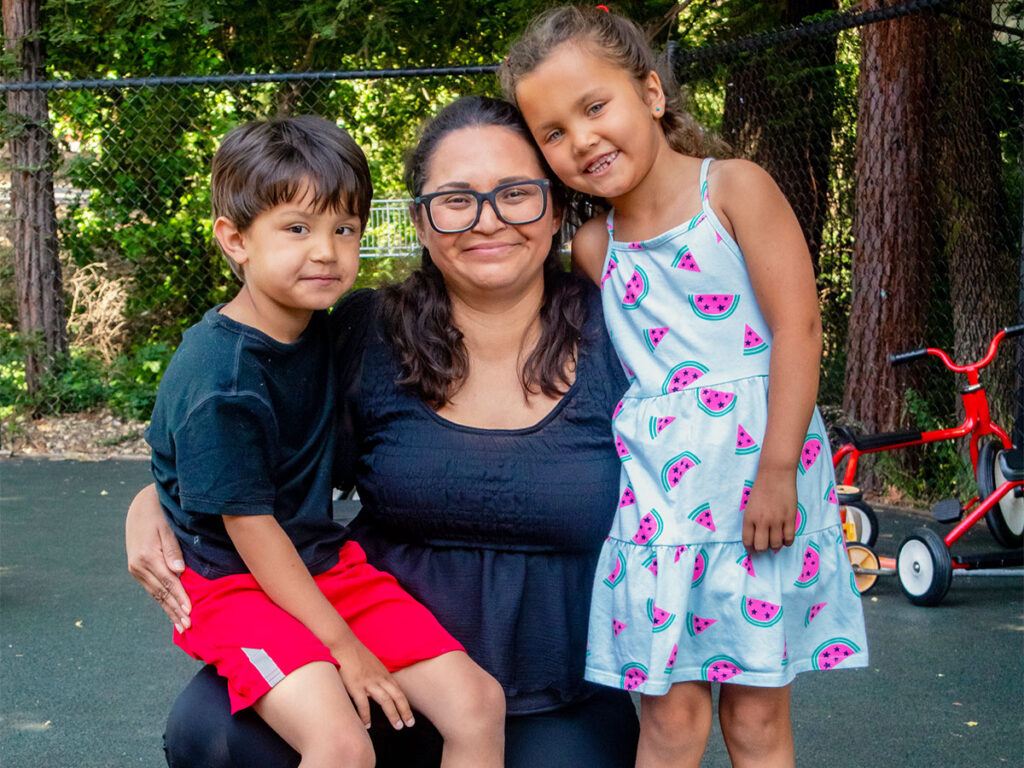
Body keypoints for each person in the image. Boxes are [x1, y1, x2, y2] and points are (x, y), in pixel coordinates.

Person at [126, 95, 641, 768]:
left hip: (549, 682)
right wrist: (150, 505)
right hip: (339, 632)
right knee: (224, 736)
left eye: (516, 193)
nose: (488, 219)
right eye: (456, 199)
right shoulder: (360, 331)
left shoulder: (628, 333)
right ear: (422, 221)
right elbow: (237, 460)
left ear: (556, 206)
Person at [500, 6, 869, 768]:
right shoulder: (596, 247)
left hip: (758, 490)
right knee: (669, 724)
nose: (583, 140)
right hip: (659, 509)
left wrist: (775, 472)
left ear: (652, 94)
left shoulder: (733, 189)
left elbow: (798, 332)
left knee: (757, 723)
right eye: (554, 133)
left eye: (595, 107)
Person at [144, 114, 505, 768]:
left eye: (345, 229)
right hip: (234, 587)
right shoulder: (221, 379)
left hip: (319, 562)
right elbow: (250, 531)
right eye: (297, 229)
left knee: (478, 704)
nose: (326, 251)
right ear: (235, 240)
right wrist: (344, 648)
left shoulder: (320, 326)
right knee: (341, 746)